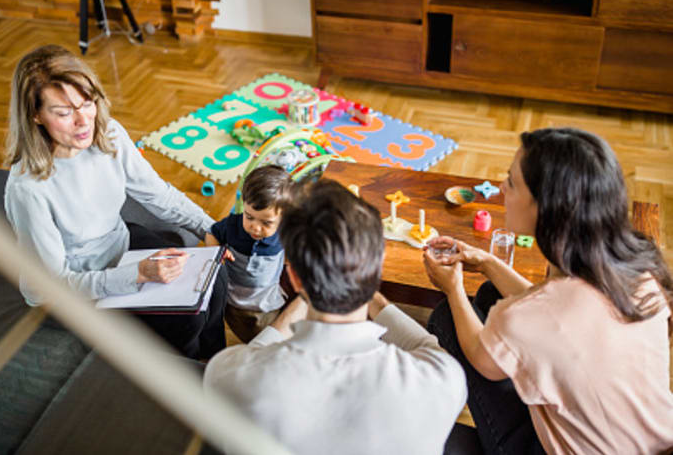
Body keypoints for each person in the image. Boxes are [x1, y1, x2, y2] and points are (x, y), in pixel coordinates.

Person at [424, 127, 673, 455]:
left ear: (545, 209)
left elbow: (483, 358)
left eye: (511, 182)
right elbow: (552, 316)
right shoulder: (639, 272)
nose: (501, 188)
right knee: (488, 294)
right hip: (647, 442)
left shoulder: (536, 314)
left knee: (447, 318)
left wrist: (452, 288)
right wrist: (486, 262)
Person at [204, 179, 466, 455]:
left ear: (293, 278)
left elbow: (251, 357)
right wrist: (367, 288)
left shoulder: (228, 374)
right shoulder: (442, 376)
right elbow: (427, 345)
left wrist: (307, 295)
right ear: (376, 269)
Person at [4, 44, 227, 359]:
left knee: (215, 281)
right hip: (76, 287)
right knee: (186, 318)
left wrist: (218, 230)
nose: (83, 121)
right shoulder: (28, 189)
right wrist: (137, 274)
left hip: (119, 244)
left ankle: (216, 369)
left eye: (87, 103)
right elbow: (47, 288)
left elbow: (159, 195)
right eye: (64, 113)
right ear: (35, 116)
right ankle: (186, 382)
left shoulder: (108, 135)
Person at [204, 165, 293, 343]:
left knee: (267, 338)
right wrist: (217, 252)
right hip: (231, 300)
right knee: (244, 334)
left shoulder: (286, 232)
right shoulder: (232, 225)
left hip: (265, 305)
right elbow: (211, 233)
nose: (255, 227)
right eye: (249, 216)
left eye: (266, 223)